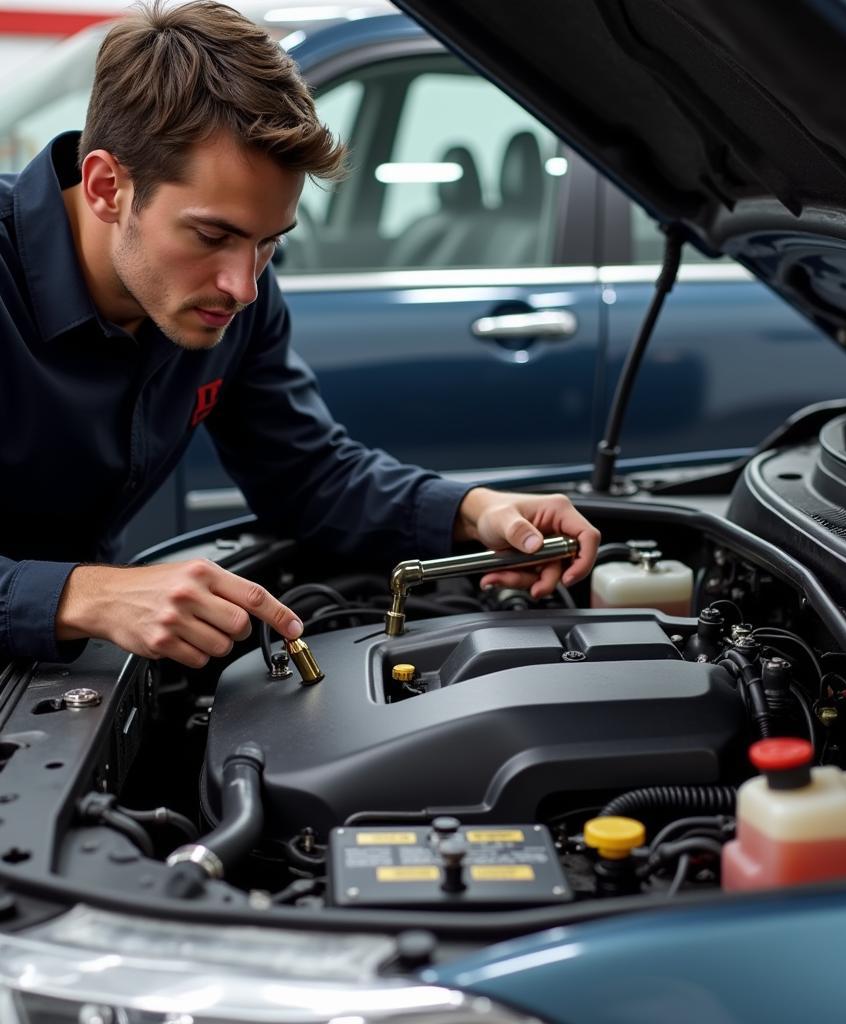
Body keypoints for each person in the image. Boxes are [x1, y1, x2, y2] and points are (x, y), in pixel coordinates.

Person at [0, 0, 599, 669]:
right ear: (108, 186)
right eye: (213, 235)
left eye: (267, 244)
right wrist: (79, 595)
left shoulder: (229, 293)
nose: (244, 287)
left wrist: (473, 510)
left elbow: (307, 476)